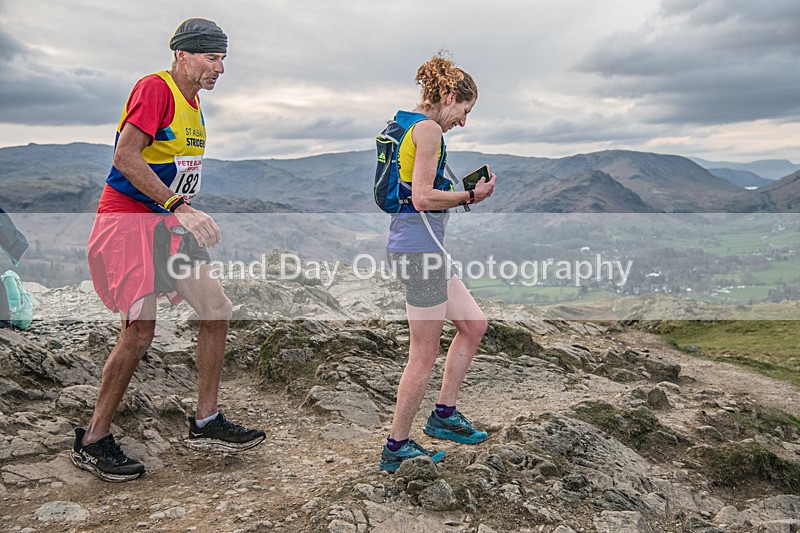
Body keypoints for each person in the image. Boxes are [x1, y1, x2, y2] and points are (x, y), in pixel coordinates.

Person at [72, 18, 265, 483]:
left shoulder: (194, 103)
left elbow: (173, 167)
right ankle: (94, 439)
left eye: (222, 58)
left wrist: (181, 210)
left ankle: (205, 419)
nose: (219, 67)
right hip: (129, 223)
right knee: (139, 333)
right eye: (211, 57)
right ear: (182, 53)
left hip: (166, 225)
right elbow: (125, 156)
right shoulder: (155, 89)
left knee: (216, 308)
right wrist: (178, 205)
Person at [380, 54, 496, 472]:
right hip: (419, 253)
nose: (463, 122)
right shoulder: (428, 130)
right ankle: (396, 446)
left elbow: (418, 191)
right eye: (464, 111)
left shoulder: (405, 124)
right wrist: (470, 197)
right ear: (448, 96)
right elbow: (423, 198)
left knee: (473, 325)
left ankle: (443, 415)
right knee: (423, 353)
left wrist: (461, 197)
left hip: (424, 249)